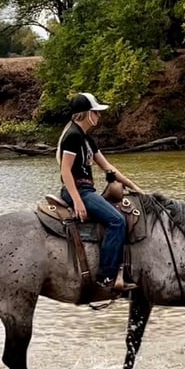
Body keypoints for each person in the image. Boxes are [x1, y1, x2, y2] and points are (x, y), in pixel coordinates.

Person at [56, 92, 143, 291]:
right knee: (117, 220)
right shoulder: (73, 137)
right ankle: (106, 277)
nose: (98, 116)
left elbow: (108, 167)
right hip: (78, 191)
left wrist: (135, 187)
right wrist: (77, 201)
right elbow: (65, 171)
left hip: (87, 190)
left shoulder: (86, 139)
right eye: (95, 112)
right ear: (85, 114)